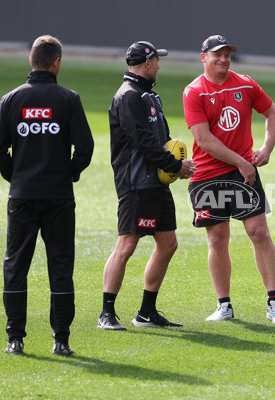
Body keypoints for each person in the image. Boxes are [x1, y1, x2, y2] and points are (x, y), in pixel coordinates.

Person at [0, 35, 94, 356]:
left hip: (22, 196)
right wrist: (69, 174)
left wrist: (15, 175)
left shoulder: (11, 99)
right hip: (59, 197)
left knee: (15, 265)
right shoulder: (68, 99)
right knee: (60, 267)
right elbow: (86, 148)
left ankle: (15, 338)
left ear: (31, 62)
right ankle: (60, 339)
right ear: (56, 63)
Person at [183, 35, 275, 324]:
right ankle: (224, 305)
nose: (223, 59)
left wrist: (266, 149)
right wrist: (243, 162)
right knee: (218, 239)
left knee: (259, 232)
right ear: (203, 57)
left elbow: (273, 114)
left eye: (227, 54)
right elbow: (203, 140)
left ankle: (274, 302)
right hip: (208, 176)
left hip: (243, 173)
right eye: (217, 54)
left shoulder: (245, 83)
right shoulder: (194, 92)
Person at [97, 41, 195, 331]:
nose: (160, 66)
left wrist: (171, 166)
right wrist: (176, 166)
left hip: (155, 183)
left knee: (168, 244)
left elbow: (161, 141)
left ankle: (146, 312)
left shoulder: (150, 97)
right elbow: (143, 143)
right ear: (148, 63)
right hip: (135, 183)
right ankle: (106, 314)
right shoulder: (128, 97)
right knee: (127, 244)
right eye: (157, 61)